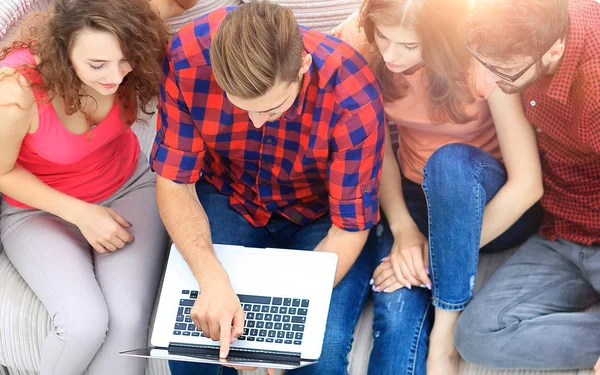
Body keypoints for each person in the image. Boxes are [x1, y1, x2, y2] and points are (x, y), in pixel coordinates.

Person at [150, 2, 385, 375]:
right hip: (229, 196)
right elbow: (175, 183)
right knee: (196, 346)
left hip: (321, 218)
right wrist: (211, 277)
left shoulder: (351, 90)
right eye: (241, 107)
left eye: (271, 109)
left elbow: (349, 226)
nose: (257, 122)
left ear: (303, 68)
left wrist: (274, 325)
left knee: (315, 356)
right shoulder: (186, 58)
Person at [332, 0, 543, 373]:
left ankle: (446, 333)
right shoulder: (359, 38)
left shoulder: (484, 52)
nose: (390, 54)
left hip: (487, 202)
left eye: (410, 46)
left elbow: (527, 185)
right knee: (396, 308)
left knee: (447, 163)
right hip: (414, 200)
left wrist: (436, 251)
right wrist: (403, 231)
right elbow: (377, 150)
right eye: (383, 36)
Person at [0, 0, 170, 374]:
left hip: (127, 187)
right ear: (63, 49)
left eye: (125, 62)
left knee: (128, 318)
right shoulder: (16, 91)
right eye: (97, 65)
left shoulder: (131, 57)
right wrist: (81, 213)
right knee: (83, 324)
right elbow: (2, 171)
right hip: (37, 210)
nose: (115, 77)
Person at [453, 0, 600, 372]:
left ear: (554, 50)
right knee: (475, 336)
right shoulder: (506, 27)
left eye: (503, 72)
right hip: (560, 233)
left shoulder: (595, 82)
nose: (488, 79)